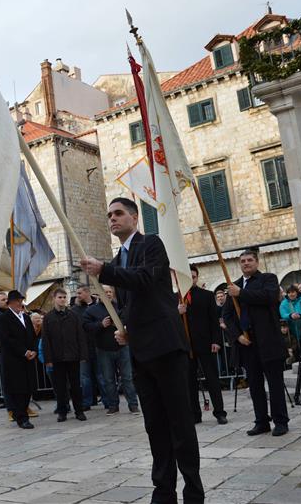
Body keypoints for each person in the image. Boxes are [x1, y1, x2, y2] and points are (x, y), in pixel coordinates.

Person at [80, 197, 203, 504]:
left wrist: (104, 270)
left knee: (180, 425)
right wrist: (127, 330)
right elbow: (131, 304)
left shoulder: (151, 245)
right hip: (141, 353)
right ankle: (163, 492)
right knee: (155, 427)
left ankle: (193, 492)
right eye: (109, 215)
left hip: (166, 346)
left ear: (134, 217)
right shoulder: (118, 257)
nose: (112, 219)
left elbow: (146, 280)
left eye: (118, 213)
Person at [223, 250, 289, 436]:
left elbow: (267, 297)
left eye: (250, 260)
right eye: (242, 261)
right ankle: (261, 421)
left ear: (257, 262)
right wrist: (237, 336)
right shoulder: (233, 286)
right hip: (247, 344)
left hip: (268, 341)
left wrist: (241, 293)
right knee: (255, 385)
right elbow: (227, 316)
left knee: (275, 384)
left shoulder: (268, 279)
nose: (246, 263)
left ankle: (281, 421)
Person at [179, 266, 227, 425]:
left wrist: (216, 341)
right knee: (189, 382)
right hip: (186, 346)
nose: (191, 279)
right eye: (188, 277)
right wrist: (177, 312)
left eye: (193, 277)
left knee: (212, 379)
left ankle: (219, 412)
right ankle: (195, 414)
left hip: (206, 343)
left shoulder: (206, 295)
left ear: (196, 278)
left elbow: (214, 320)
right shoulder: (176, 298)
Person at [82, 285, 139, 415]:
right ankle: (113, 406)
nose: (107, 294)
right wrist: (100, 325)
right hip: (103, 349)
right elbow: (85, 326)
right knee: (108, 379)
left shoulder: (119, 306)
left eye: (109, 292)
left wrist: (119, 322)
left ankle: (133, 405)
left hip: (122, 347)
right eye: (105, 291)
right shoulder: (92, 310)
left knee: (127, 377)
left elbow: (129, 318)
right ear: (99, 294)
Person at [42, 289, 88, 422]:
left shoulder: (73, 315)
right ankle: (62, 411)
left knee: (76, 386)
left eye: (64, 297)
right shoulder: (48, 317)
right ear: (54, 299)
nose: (62, 299)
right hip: (57, 358)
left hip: (73, 356)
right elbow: (46, 340)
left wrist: (83, 354)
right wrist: (48, 359)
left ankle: (79, 411)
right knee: (60, 387)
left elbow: (80, 335)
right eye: (60, 297)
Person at [0, 290, 38, 429]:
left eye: (21, 300)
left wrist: (33, 350)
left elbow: (32, 335)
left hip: (28, 358)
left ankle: (23, 412)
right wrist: (24, 352)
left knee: (28, 388)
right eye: (17, 300)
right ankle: (21, 417)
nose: (20, 303)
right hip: (14, 360)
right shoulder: (3, 318)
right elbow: (7, 340)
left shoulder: (25, 317)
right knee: (18, 389)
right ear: (11, 303)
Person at [71, 286, 101, 410]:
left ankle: (108, 401)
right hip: (83, 347)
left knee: (101, 375)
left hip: (98, 345)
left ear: (87, 292)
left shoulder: (99, 305)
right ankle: (87, 402)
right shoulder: (75, 309)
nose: (78, 295)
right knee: (85, 377)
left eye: (80, 293)